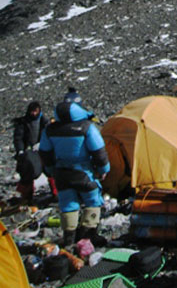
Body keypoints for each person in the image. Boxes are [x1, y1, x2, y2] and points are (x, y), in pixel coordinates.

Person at [39, 97, 110, 247]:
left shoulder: (50, 130)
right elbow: (99, 152)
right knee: (92, 201)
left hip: (61, 173)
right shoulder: (86, 128)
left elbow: (45, 153)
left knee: (67, 204)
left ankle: (69, 240)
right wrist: (103, 170)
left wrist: (51, 170)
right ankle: (87, 237)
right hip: (83, 172)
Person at [13, 101, 57, 202]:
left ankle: (57, 195)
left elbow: (50, 135)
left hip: (44, 151)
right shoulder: (23, 123)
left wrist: (42, 144)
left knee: (51, 172)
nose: (33, 113)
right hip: (27, 152)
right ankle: (26, 197)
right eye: (32, 111)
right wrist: (20, 150)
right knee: (28, 173)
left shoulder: (45, 122)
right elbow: (18, 138)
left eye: (35, 111)